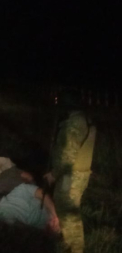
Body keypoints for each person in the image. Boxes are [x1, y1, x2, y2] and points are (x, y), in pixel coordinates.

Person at [44, 88, 96, 252]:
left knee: (68, 214)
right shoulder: (83, 119)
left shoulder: (74, 123)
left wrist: (53, 174)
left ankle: (75, 248)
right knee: (69, 211)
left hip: (70, 176)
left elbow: (66, 156)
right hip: (78, 174)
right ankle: (70, 245)